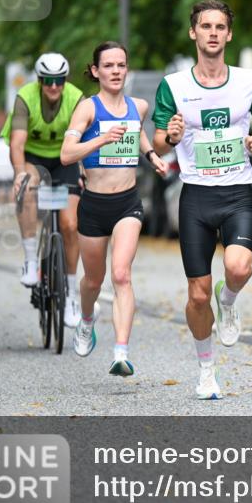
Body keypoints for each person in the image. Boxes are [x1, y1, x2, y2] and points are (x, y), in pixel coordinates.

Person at [152, 0, 252, 400]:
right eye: (206, 26)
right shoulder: (174, 85)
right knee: (196, 294)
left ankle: (231, 299)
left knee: (239, 267)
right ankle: (206, 370)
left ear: (229, 34)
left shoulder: (247, 80)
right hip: (196, 197)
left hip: (238, 191)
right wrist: (169, 137)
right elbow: (159, 141)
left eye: (220, 27)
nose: (213, 33)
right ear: (194, 33)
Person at [61, 42, 166, 376]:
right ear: (95, 71)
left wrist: (151, 156)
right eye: (108, 66)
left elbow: (137, 135)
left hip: (127, 203)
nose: (116, 71)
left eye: (121, 65)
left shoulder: (139, 105)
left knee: (121, 274)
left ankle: (120, 352)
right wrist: (99, 141)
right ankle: (87, 319)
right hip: (93, 204)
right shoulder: (87, 109)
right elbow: (66, 154)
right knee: (93, 280)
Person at [1, 52, 85, 328]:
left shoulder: (76, 98)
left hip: (65, 159)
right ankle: (29, 259)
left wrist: (85, 172)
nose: (53, 86)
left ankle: (72, 294)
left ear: (65, 80)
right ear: (39, 80)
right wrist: (19, 173)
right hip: (33, 158)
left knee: (70, 224)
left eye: (59, 80)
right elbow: (17, 142)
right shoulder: (26, 97)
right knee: (26, 188)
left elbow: (85, 139)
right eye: (47, 80)